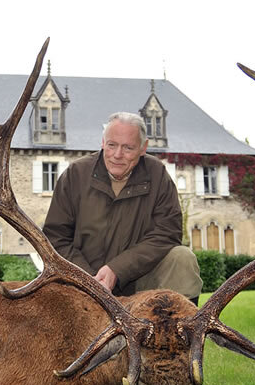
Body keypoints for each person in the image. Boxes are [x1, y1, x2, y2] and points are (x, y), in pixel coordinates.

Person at [43, 112, 203, 302]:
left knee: (182, 259)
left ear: (143, 148)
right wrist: (91, 279)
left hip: (137, 282)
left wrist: (118, 269)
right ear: (102, 143)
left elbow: (167, 233)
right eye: (111, 145)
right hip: (82, 282)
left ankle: (183, 330)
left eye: (128, 148)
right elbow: (55, 237)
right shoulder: (75, 175)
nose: (117, 155)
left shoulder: (157, 175)